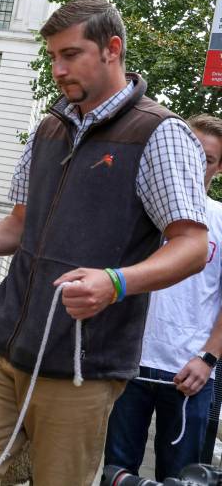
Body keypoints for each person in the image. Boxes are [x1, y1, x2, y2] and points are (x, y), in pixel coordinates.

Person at [0, 0, 209, 486]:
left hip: (84, 361)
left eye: (70, 54)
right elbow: (20, 223)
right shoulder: (48, 127)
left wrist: (116, 282)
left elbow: (193, 245)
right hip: (3, 340)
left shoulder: (161, 133)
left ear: (112, 49)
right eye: (52, 58)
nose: (57, 69)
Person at [104, 114, 222, 481]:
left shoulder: (220, 219)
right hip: (129, 363)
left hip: (191, 373)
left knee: (182, 478)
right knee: (116, 473)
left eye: (210, 159)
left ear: (219, 168)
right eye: (193, 151)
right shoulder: (138, 209)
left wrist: (208, 358)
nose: (200, 163)